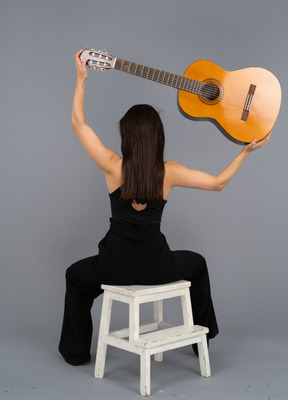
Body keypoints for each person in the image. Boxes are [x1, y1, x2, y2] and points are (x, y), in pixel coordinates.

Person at [58, 50, 271, 366]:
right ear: (158, 137)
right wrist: (245, 151)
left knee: (75, 275)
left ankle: (76, 354)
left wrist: (81, 77)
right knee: (197, 264)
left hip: (112, 267)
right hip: (159, 268)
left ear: (126, 136)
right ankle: (203, 342)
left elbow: (78, 124)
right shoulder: (169, 171)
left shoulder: (112, 166)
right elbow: (217, 183)